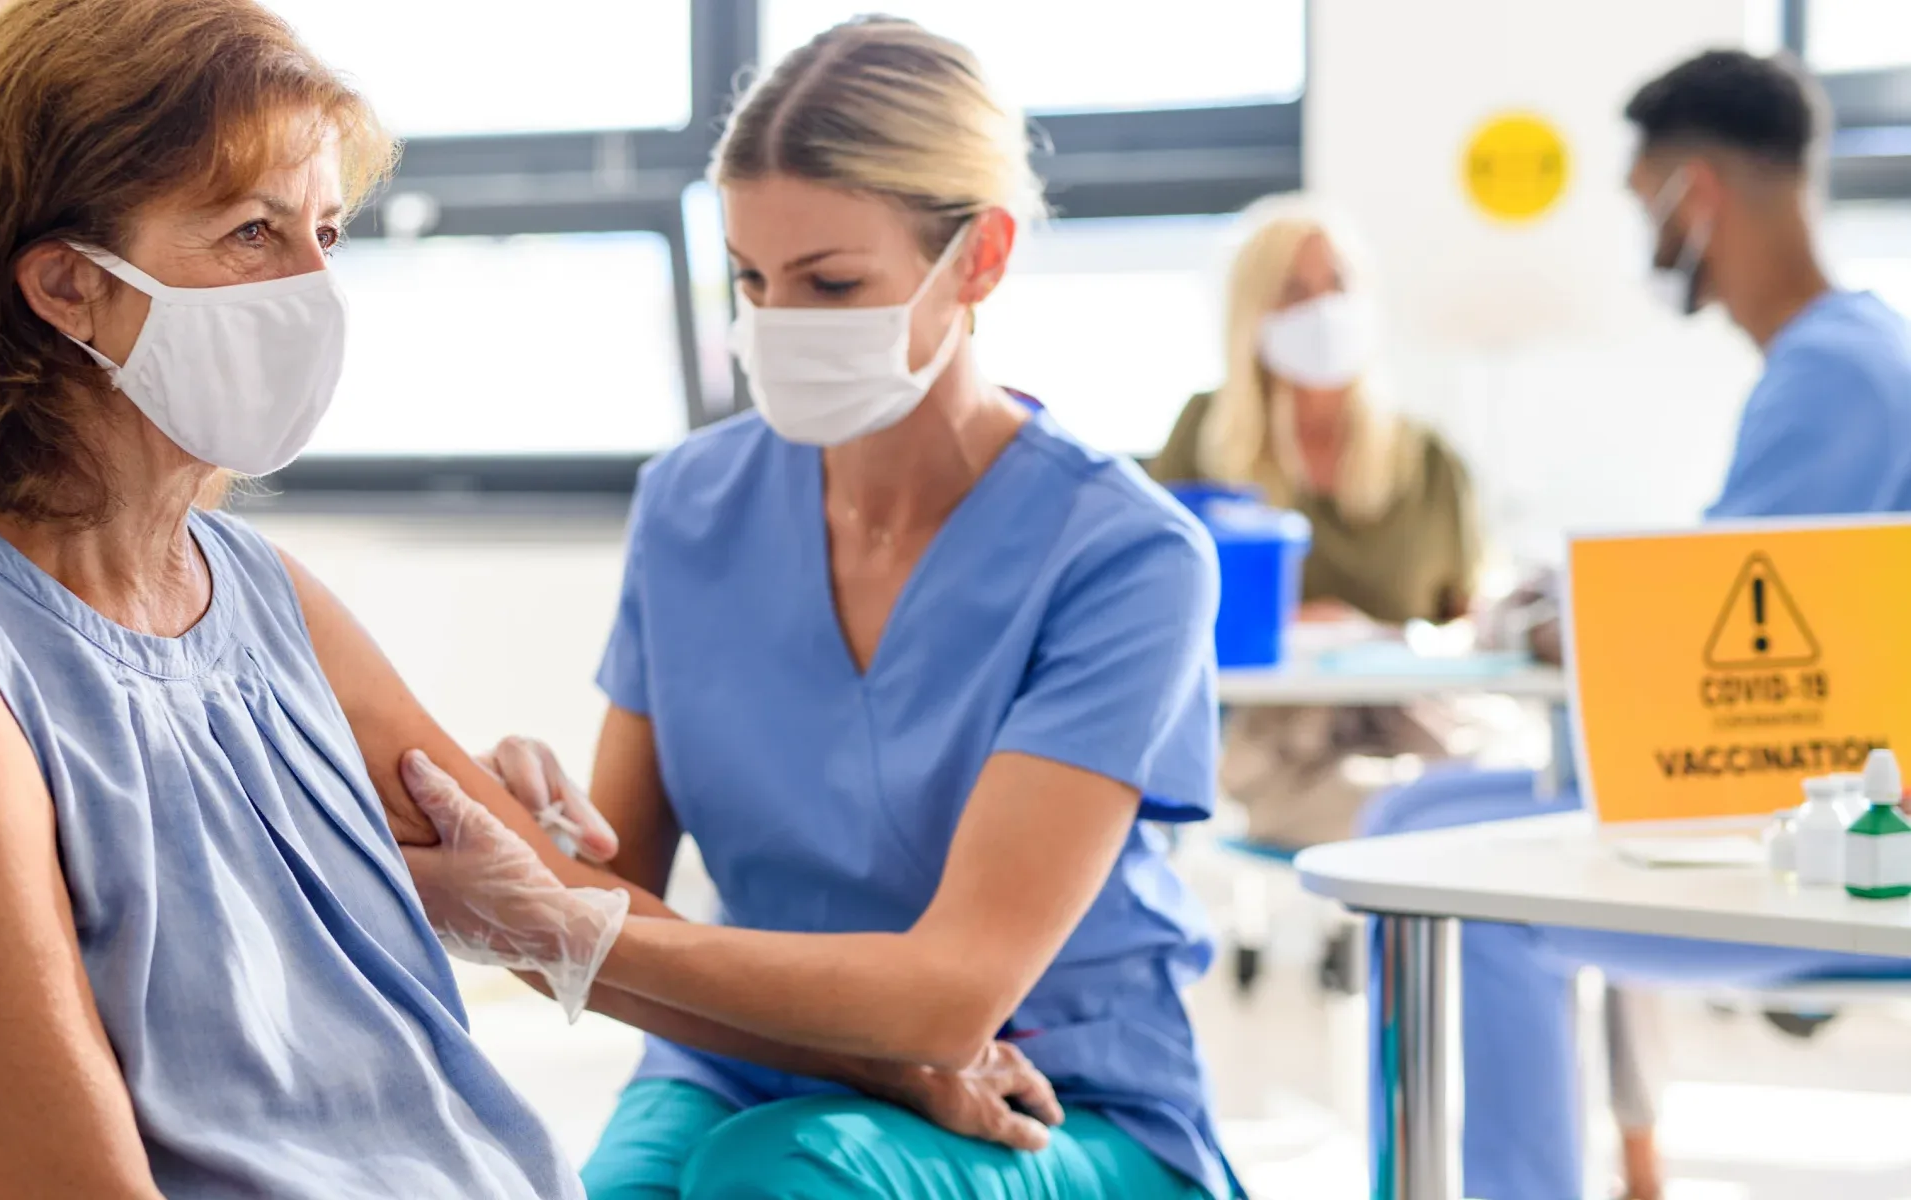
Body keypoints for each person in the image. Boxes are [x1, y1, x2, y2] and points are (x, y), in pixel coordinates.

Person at [0, 3, 1079, 1195]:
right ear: (67, 284)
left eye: (325, 233)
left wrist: (898, 1069)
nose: (314, 289)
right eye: (253, 234)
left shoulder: (264, 598)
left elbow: (559, 916)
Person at [389, 18, 1236, 1198]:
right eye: (750, 278)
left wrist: (555, 912)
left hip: (1055, 1097)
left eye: (831, 282)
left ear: (980, 259)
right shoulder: (692, 503)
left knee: (781, 1179)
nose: (775, 322)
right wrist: (526, 837)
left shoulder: (1126, 558)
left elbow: (952, 998)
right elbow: (608, 898)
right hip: (740, 1062)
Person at [1363, 49, 1911, 1200]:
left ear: (1693, 193)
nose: (1645, 241)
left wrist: (1571, 623)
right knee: (1412, 816)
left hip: (1838, 848)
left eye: (1641, 205)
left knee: (1450, 884)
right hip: (1811, 809)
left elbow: (1724, 640)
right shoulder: (1840, 360)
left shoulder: (1837, 372)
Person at [1147, 197, 1479, 852]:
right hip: (1267, 742)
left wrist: (1375, 636)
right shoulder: (1205, 439)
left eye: (1338, 286)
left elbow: (1469, 626)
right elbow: (1156, 601)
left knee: (1457, 805)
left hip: (1409, 724)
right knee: (1394, 826)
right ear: (1252, 312)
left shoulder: (1428, 461)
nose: (1322, 308)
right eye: (1294, 290)